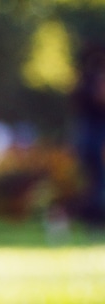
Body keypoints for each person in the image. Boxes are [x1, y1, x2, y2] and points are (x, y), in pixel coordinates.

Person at [72, 42, 105, 225]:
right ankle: (96, 219)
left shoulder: (82, 82)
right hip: (96, 138)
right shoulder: (93, 82)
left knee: (93, 181)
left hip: (87, 137)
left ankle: (93, 218)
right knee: (97, 181)